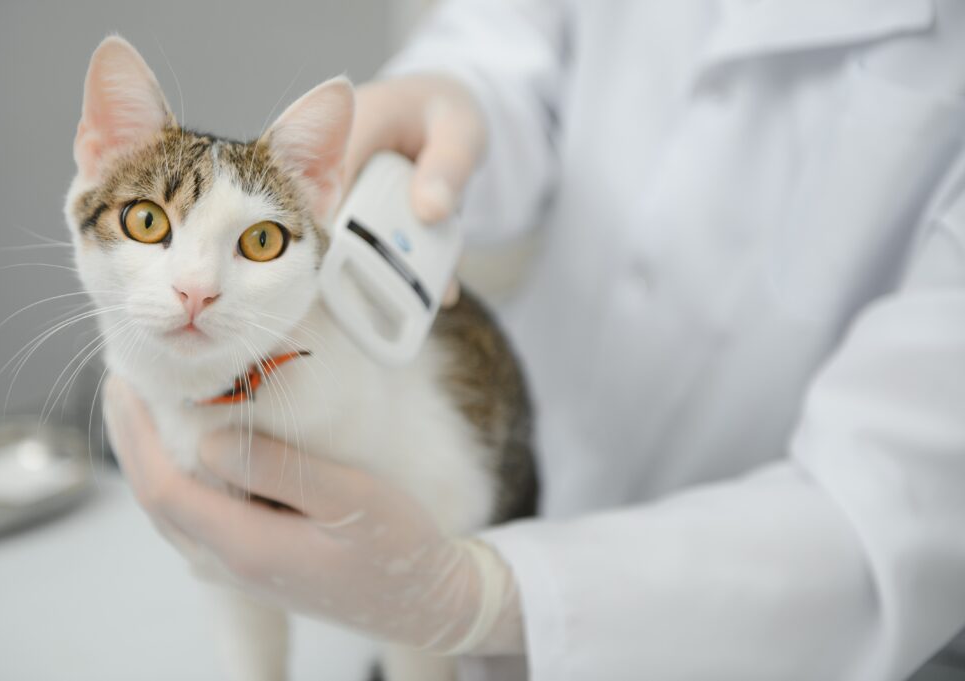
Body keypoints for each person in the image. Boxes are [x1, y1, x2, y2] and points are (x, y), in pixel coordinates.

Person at [103, 2, 965, 679]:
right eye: (148, 224)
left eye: (254, 244)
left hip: (802, 622)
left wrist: (474, 599)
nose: (194, 285)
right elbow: (510, 40)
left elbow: (890, 521)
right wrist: (453, 98)